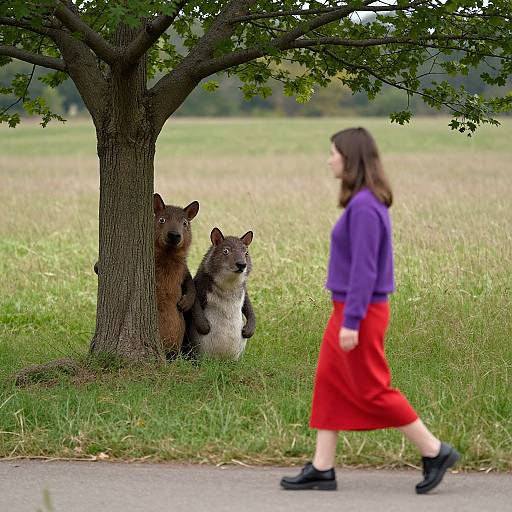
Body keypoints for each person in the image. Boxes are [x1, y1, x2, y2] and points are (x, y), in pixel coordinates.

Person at [280, 127, 459, 494]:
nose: (329, 159)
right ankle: (321, 467)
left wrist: (352, 322)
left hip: (358, 311)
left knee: (373, 389)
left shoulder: (363, 207)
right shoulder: (363, 202)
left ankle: (434, 450)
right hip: (347, 309)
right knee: (329, 382)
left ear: (350, 159)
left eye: (333, 153)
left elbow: (364, 271)